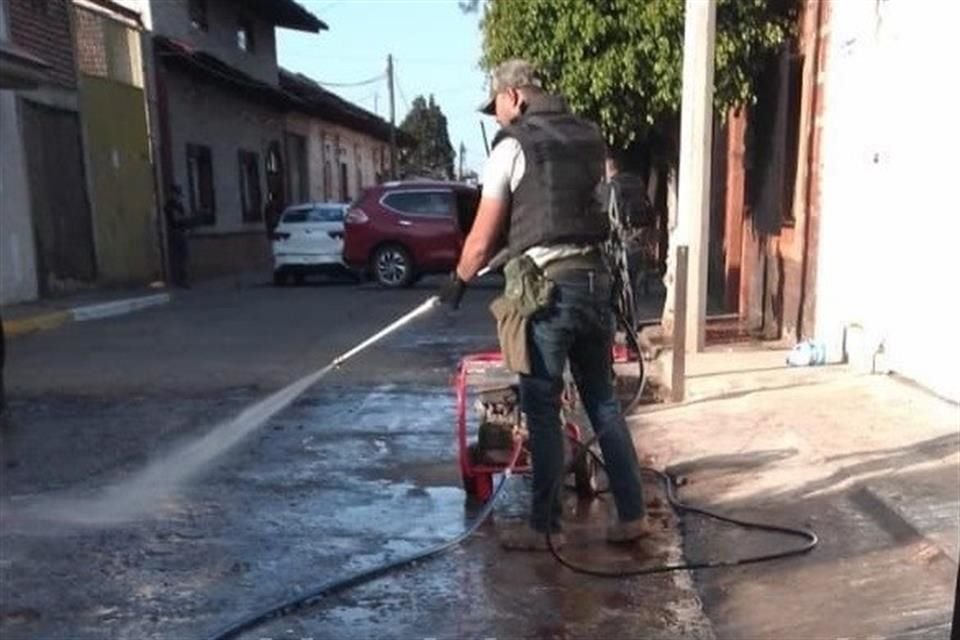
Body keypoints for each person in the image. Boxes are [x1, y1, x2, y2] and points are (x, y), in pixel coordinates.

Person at [438, 59, 652, 550]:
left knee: (541, 407)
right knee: (602, 403)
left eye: (497, 108)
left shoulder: (513, 145)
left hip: (549, 293)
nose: (498, 119)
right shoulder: (589, 137)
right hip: (597, 284)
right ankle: (632, 516)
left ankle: (545, 528)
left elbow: (481, 237)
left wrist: (459, 279)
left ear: (514, 95)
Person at [164, 185, 192, 289]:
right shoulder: (170, 205)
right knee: (179, 257)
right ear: (173, 194)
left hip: (181, 231)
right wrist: (185, 218)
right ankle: (180, 280)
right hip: (176, 232)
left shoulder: (179, 205)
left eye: (179, 195)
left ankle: (182, 279)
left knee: (184, 256)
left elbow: (183, 217)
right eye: (177, 194)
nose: (178, 197)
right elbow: (176, 219)